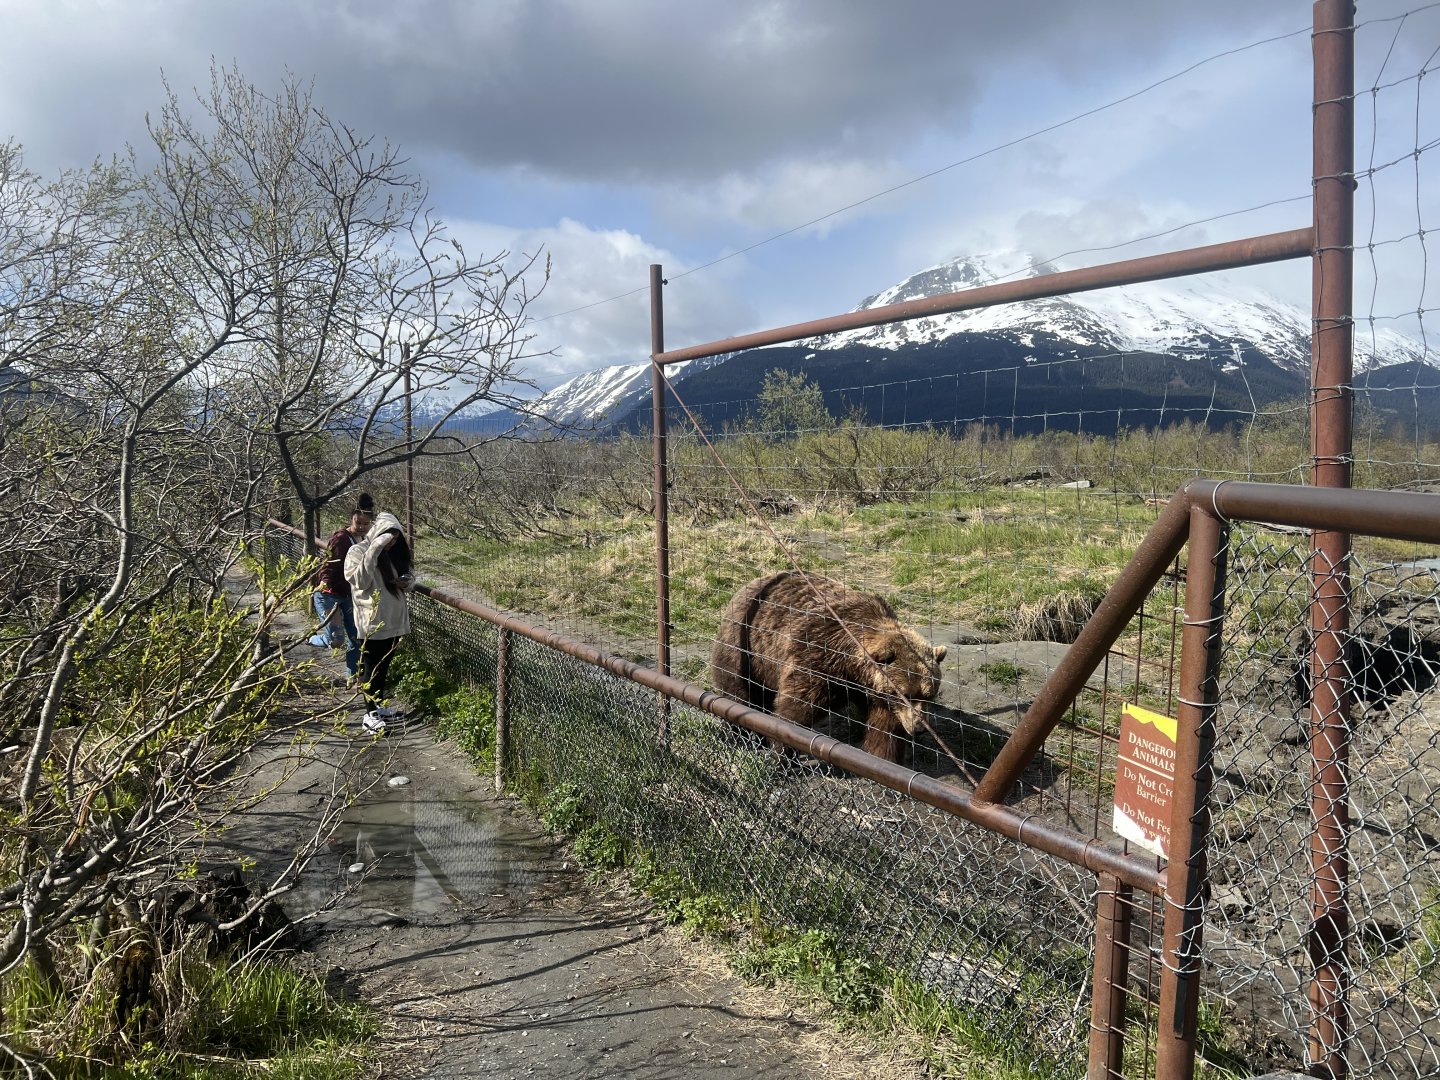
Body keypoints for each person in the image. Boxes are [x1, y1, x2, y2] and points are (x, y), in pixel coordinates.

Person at [344, 508, 415, 734]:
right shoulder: (357, 551)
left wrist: (407, 582)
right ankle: (370, 715)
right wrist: (374, 548)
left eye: (395, 539)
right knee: (371, 669)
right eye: (387, 538)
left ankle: (378, 707)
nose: (391, 543)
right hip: (372, 623)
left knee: (383, 668)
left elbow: (410, 578)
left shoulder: (393, 553)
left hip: (394, 621)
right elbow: (360, 581)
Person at [310, 493, 375, 681]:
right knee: (336, 640)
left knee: (355, 636)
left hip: (349, 594)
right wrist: (324, 581)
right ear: (351, 519)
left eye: (365, 524)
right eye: (358, 522)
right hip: (329, 594)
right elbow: (328, 564)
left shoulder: (366, 540)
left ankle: (352, 677)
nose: (361, 527)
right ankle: (314, 638)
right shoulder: (341, 539)